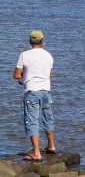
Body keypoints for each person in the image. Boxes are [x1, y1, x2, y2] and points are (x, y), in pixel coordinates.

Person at [13, 30, 56, 161]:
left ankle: (37, 153)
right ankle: (51, 146)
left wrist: (23, 77)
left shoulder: (24, 55)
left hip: (32, 92)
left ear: (30, 41)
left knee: (32, 121)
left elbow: (16, 75)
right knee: (47, 118)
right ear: (42, 41)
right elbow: (49, 76)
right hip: (46, 92)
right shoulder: (49, 56)